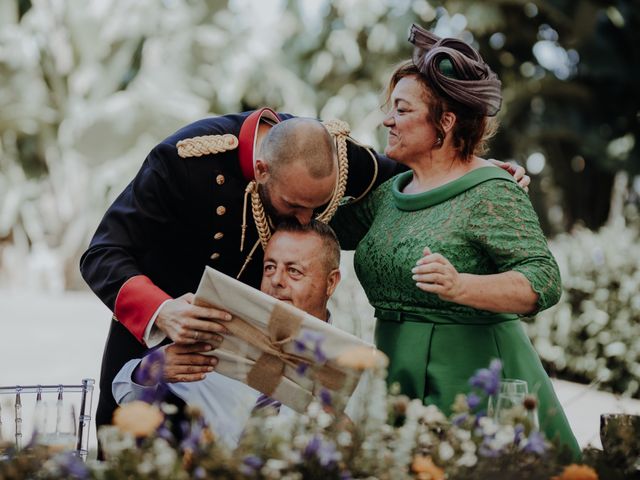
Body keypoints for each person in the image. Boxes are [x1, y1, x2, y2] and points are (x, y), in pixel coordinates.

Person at [80, 107, 528, 438]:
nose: (305, 218)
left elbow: (415, 173)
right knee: (131, 443)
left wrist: (482, 173)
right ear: (261, 170)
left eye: (320, 206)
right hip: (166, 333)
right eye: (294, 205)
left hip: (284, 341)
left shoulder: (334, 157)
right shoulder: (184, 163)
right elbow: (103, 253)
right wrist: (163, 313)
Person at [330, 24, 580, 457]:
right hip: (396, 376)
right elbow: (322, 226)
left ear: (445, 122)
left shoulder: (491, 190)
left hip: (475, 383)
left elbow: (544, 279)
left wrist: (461, 286)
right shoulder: (386, 196)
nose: (388, 119)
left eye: (403, 110)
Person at [112, 220, 342, 448]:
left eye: (294, 271)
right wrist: (150, 369)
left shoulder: (355, 371)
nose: (276, 281)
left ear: (331, 283)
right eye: (270, 267)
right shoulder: (220, 342)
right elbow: (124, 393)